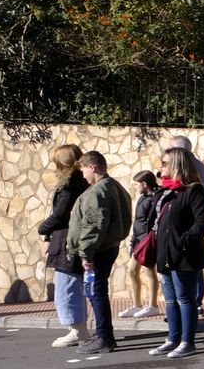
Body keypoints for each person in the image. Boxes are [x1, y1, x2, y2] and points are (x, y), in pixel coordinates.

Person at [65, 151, 133, 354]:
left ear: (93, 167)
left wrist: (86, 254)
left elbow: (94, 225)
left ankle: (104, 337)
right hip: (108, 246)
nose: (83, 175)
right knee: (97, 291)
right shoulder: (115, 187)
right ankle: (104, 336)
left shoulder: (98, 192)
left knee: (96, 292)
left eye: (84, 169)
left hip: (99, 250)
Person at [152, 147, 204, 359]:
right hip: (165, 255)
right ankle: (172, 338)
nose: (161, 167)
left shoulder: (194, 190)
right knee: (169, 300)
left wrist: (183, 241)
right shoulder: (167, 192)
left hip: (185, 255)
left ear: (178, 164)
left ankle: (187, 342)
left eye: (165, 163)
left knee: (185, 299)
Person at [38, 144, 90, 348]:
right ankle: (81, 329)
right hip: (76, 238)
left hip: (66, 239)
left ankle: (77, 330)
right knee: (74, 284)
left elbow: (61, 214)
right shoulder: (84, 181)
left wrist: (43, 228)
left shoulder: (70, 184)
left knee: (66, 285)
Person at [120, 171, 161, 319]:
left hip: (147, 241)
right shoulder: (142, 198)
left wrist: (149, 239)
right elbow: (139, 221)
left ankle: (153, 305)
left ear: (144, 184)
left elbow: (153, 221)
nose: (135, 187)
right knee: (131, 270)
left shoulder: (155, 198)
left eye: (137, 184)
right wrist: (133, 240)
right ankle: (137, 304)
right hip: (138, 240)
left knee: (149, 271)